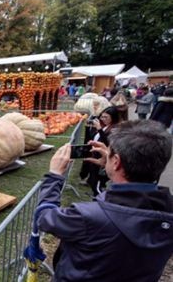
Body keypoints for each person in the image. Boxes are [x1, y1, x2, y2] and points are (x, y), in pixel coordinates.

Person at [37, 120, 172, 281]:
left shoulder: (88, 217)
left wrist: (55, 176)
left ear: (117, 161)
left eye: (111, 155)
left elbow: (45, 216)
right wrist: (112, 168)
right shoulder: (167, 210)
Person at [85, 106, 120, 196]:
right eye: (102, 116)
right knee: (93, 181)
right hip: (96, 157)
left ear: (113, 118)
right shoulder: (105, 127)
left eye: (106, 117)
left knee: (98, 183)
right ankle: (95, 196)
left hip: (104, 159)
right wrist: (88, 128)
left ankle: (100, 198)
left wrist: (99, 129)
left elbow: (107, 143)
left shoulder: (115, 129)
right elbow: (94, 138)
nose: (103, 119)